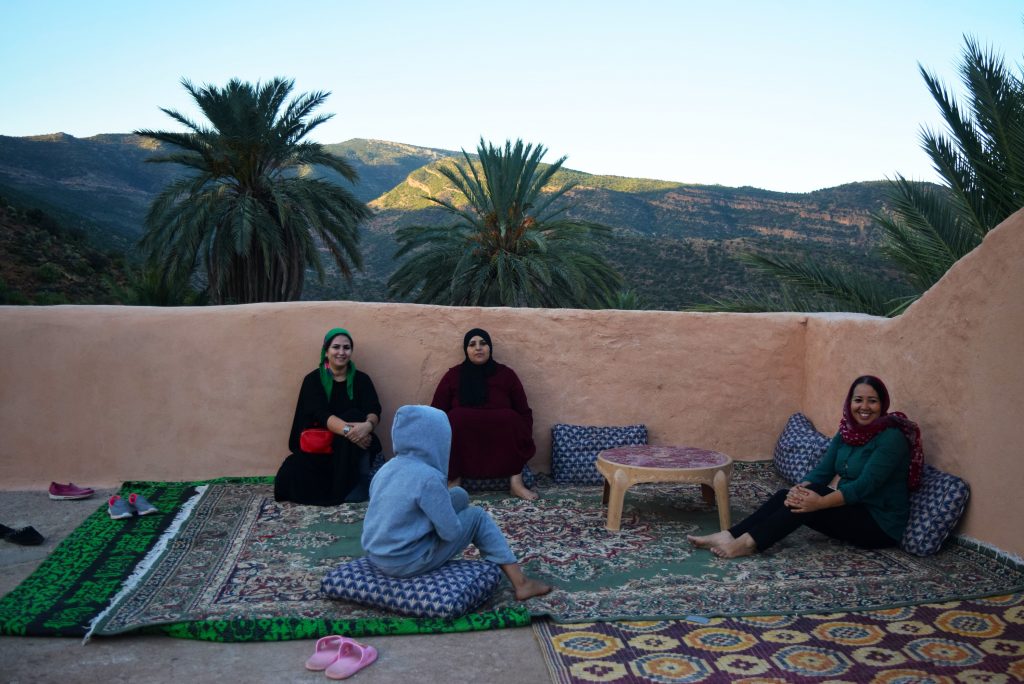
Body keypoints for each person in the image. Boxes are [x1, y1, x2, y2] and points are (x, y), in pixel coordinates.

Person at [688, 375, 924, 559]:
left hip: (879, 524)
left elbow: (864, 486)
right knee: (787, 495)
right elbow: (822, 471)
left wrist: (819, 502)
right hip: (853, 509)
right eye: (858, 399)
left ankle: (749, 543)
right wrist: (799, 489)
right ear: (849, 402)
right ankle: (729, 535)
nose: (864, 407)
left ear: (883, 405)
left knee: (813, 498)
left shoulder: (890, 438)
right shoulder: (848, 433)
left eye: (872, 401)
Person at [361, 404, 552, 600]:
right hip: (406, 560)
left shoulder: (387, 469)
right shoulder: (428, 478)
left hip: (379, 554)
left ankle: (436, 521)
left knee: (459, 494)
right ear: (437, 440)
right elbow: (450, 533)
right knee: (477, 517)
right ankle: (521, 583)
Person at [274, 328, 382, 505]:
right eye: (336, 347)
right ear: (326, 350)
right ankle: (344, 485)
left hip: (350, 448)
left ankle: (357, 481)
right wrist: (351, 432)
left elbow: (374, 409)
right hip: (321, 444)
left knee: (354, 415)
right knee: (291, 476)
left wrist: (368, 426)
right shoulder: (313, 380)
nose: (341, 352)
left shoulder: (362, 379)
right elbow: (320, 414)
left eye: (346, 348)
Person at [431, 328, 538, 500]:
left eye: (483, 343)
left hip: (502, 434)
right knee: (454, 419)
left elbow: (523, 410)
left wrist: (523, 431)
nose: (478, 348)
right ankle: (453, 482)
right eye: (472, 344)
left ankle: (516, 484)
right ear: (466, 350)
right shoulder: (454, 376)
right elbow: (436, 411)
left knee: (511, 419)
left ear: (490, 348)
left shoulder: (506, 375)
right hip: (464, 435)